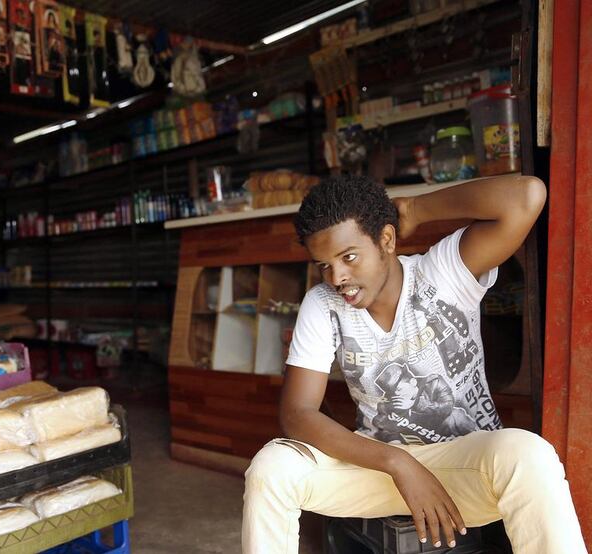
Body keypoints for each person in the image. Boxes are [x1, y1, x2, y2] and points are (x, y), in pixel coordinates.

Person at [242, 174, 586, 554]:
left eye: (349, 257)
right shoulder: (323, 304)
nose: (337, 277)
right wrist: (398, 462)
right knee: (271, 467)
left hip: (463, 466)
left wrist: (418, 209)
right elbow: (297, 414)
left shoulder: (442, 272)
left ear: (386, 240)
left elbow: (527, 195)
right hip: (379, 468)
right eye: (324, 265)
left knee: (529, 454)